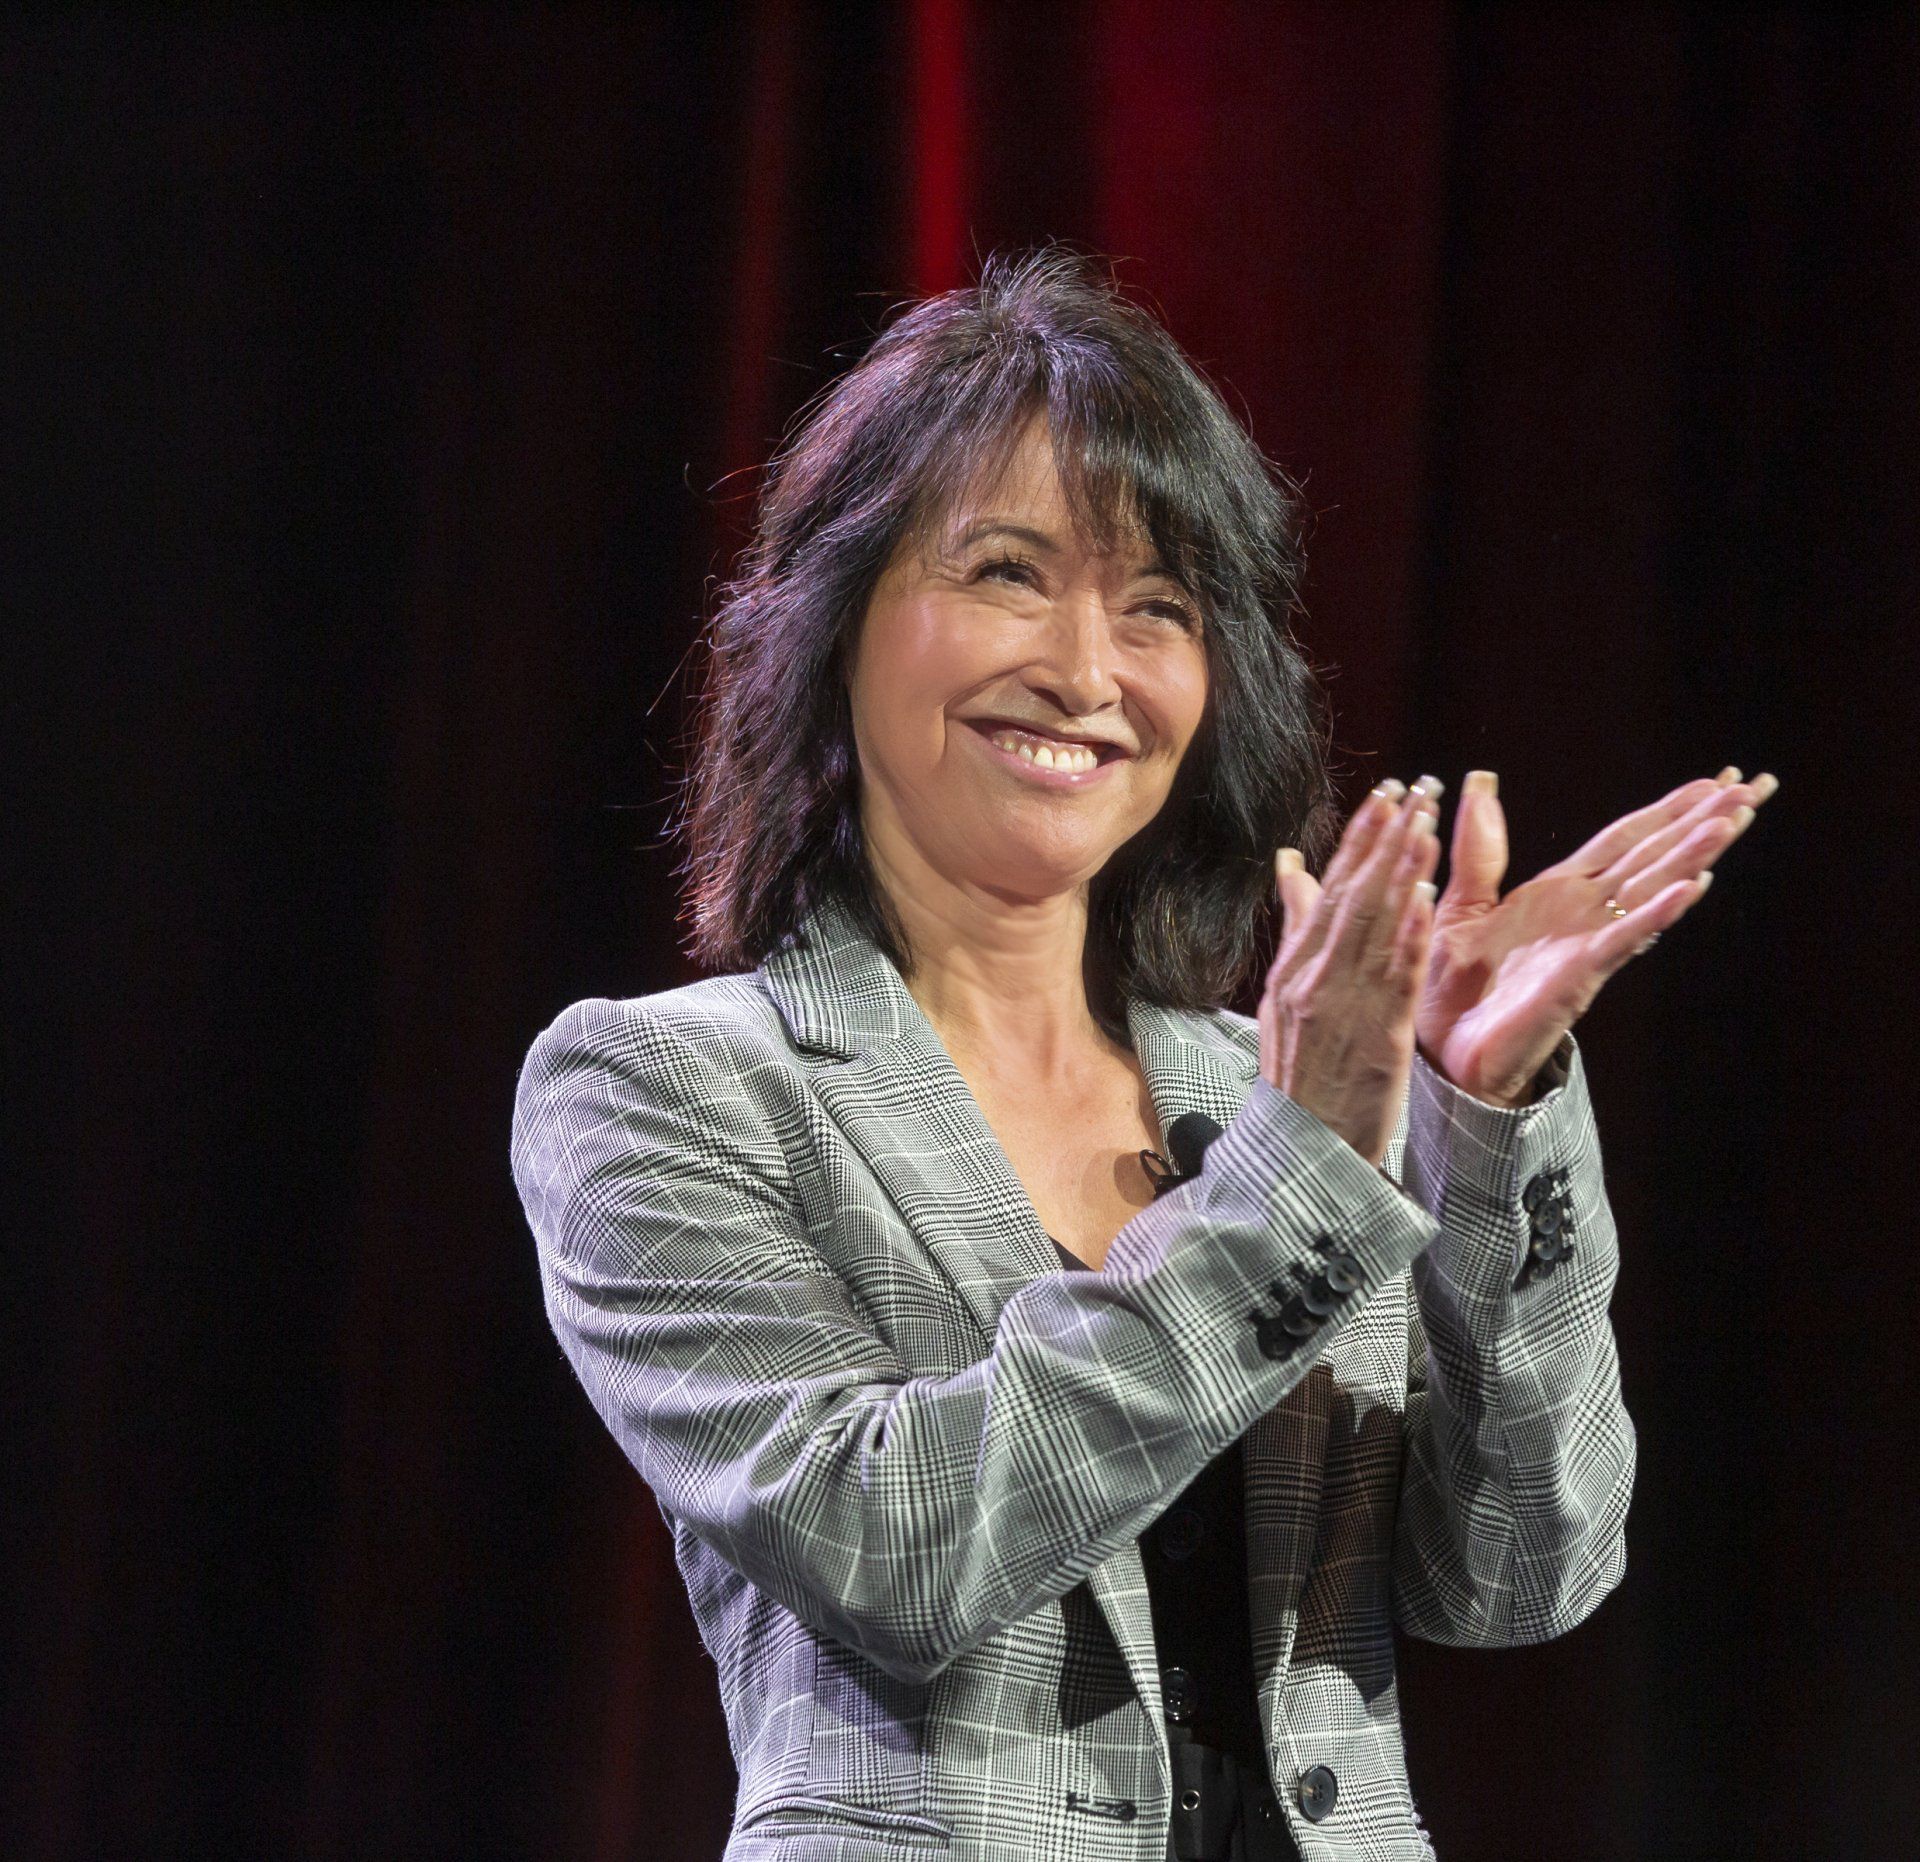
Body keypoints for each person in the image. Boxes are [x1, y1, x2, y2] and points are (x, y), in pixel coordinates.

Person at [510, 246, 1775, 1862]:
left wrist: (1480, 1109)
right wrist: (1297, 1174)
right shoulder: (659, 1087)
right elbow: (897, 1549)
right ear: (835, 621)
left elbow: (1523, 1572)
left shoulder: (1278, 1091)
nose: (1089, 671)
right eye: (1008, 573)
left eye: (1160, 607)